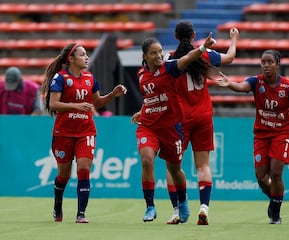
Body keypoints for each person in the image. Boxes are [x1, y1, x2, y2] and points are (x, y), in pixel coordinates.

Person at [216, 49, 289, 224]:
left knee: (276, 173)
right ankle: (275, 198)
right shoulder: (256, 81)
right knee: (261, 177)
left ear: (277, 64)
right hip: (261, 134)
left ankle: (275, 211)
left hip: (282, 133)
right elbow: (241, 86)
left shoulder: (288, 87)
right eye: (263, 62)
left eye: (270, 62)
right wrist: (230, 83)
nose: (266, 65)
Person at [131, 34, 216, 223]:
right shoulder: (140, 74)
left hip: (171, 127)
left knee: (175, 169)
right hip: (148, 126)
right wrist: (143, 110)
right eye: (154, 53)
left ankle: (183, 200)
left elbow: (186, 58)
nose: (159, 55)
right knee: (146, 160)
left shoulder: (169, 68)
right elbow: (150, 97)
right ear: (144, 56)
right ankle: (150, 206)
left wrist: (202, 48)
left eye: (160, 51)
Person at [41, 43, 127, 223]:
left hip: (86, 131)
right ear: (71, 59)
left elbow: (97, 102)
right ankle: (58, 204)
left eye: (87, 54)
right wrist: (76, 106)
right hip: (63, 132)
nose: (86, 58)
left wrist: (111, 95)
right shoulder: (60, 78)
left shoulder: (90, 78)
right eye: (82, 55)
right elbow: (53, 104)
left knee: (84, 169)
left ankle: (81, 214)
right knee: (63, 175)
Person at [164, 21, 240, 225]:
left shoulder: (171, 59)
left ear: (176, 36)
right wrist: (233, 39)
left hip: (180, 118)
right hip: (203, 115)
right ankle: (204, 208)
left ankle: (176, 210)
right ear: (193, 35)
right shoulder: (205, 54)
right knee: (203, 165)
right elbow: (230, 57)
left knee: (173, 168)